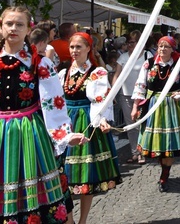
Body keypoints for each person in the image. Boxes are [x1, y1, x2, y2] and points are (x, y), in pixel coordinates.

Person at [0, 6, 87, 223]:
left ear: (28, 29)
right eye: (9, 23)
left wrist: (64, 135)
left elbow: (53, 104)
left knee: (30, 196)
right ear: (0, 26)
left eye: (19, 24)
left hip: (29, 133)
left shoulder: (40, 63)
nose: (14, 28)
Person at [59, 31, 121, 224]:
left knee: (87, 175)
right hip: (66, 121)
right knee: (62, 173)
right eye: (72, 47)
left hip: (87, 121)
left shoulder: (97, 72)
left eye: (79, 47)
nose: (74, 51)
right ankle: (68, 218)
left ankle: (83, 220)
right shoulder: (62, 72)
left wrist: (101, 120)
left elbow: (101, 100)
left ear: (88, 48)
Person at [131, 36, 180, 192]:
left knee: (169, 144)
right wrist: (135, 107)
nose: (162, 49)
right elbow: (140, 87)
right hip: (153, 106)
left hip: (172, 107)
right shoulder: (149, 64)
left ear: (173, 49)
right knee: (157, 143)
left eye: (166, 46)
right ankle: (164, 169)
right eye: (160, 46)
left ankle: (164, 175)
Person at [113, 30, 148, 163]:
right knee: (131, 125)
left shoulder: (147, 55)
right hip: (126, 94)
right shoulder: (123, 58)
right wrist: (113, 92)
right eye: (128, 43)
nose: (130, 45)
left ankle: (143, 150)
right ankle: (135, 151)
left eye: (133, 42)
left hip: (143, 95)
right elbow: (117, 75)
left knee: (142, 124)